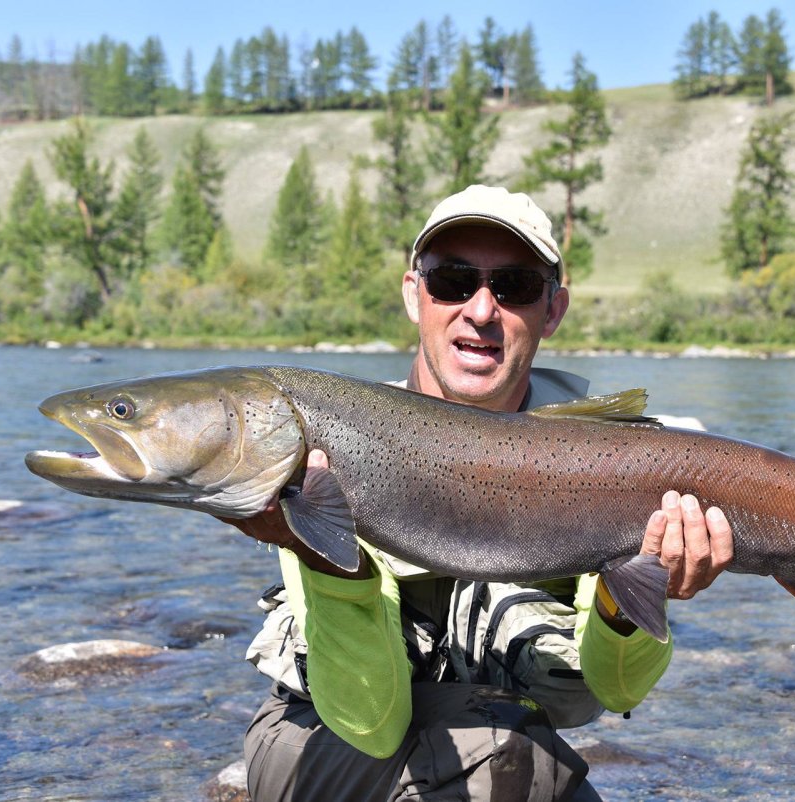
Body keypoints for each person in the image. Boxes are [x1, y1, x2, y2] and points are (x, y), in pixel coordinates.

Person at [229, 185, 735, 801]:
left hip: (503, 746)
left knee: (526, 767)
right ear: (415, 295)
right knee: (511, 760)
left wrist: (631, 598)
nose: (482, 309)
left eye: (515, 285)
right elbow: (370, 720)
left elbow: (615, 691)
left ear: (553, 309)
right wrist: (325, 559)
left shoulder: (597, 461)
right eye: (453, 280)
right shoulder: (329, 448)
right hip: (327, 742)